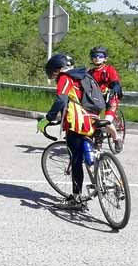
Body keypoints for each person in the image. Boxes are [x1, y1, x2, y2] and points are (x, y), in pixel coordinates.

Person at [38, 53, 96, 210]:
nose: (52, 75)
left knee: (76, 160)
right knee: (89, 155)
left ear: (57, 69)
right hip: (92, 118)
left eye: (52, 72)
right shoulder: (82, 75)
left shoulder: (65, 77)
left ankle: (76, 199)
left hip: (77, 122)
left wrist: (48, 118)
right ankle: (105, 178)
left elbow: (61, 100)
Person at [87, 46, 123, 148]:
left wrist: (113, 91)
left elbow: (116, 83)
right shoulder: (90, 73)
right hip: (96, 99)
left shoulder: (109, 69)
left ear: (105, 58)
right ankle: (98, 138)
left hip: (110, 98)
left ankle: (116, 138)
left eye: (100, 56)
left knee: (106, 122)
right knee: (92, 120)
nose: (97, 58)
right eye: (94, 56)